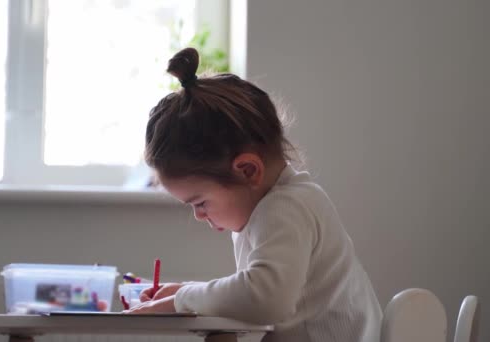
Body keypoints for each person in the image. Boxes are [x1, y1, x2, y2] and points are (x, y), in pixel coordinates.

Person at [126, 47, 382, 342]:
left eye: (200, 202)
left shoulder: (286, 207)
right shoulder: (272, 207)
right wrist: (185, 291)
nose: (199, 215)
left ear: (247, 170)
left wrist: (181, 299)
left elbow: (265, 298)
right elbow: (258, 289)